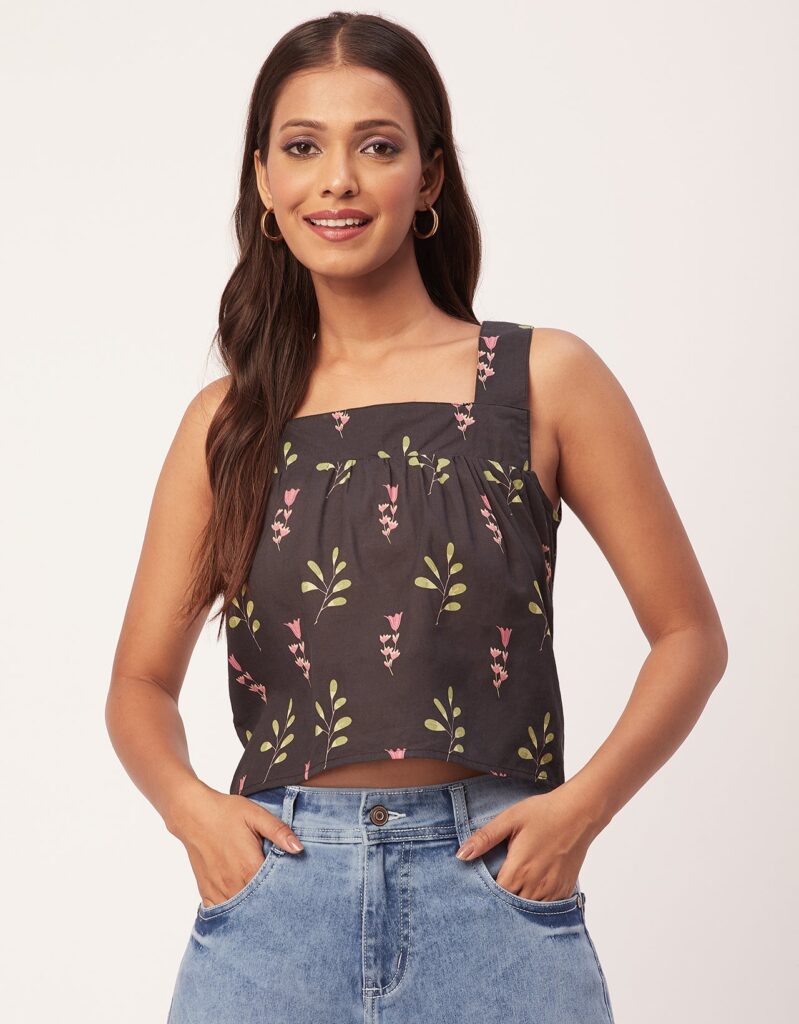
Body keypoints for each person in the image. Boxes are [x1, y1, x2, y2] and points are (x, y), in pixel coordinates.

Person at [105, 11, 728, 1024]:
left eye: (377, 147)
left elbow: (688, 635)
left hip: (493, 894)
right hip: (277, 902)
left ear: (429, 177)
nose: (337, 181)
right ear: (263, 180)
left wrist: (579, 812)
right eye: (302, 147)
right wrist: (193, 814)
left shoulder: (544, 378)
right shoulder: (227, 420)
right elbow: (138, 683)